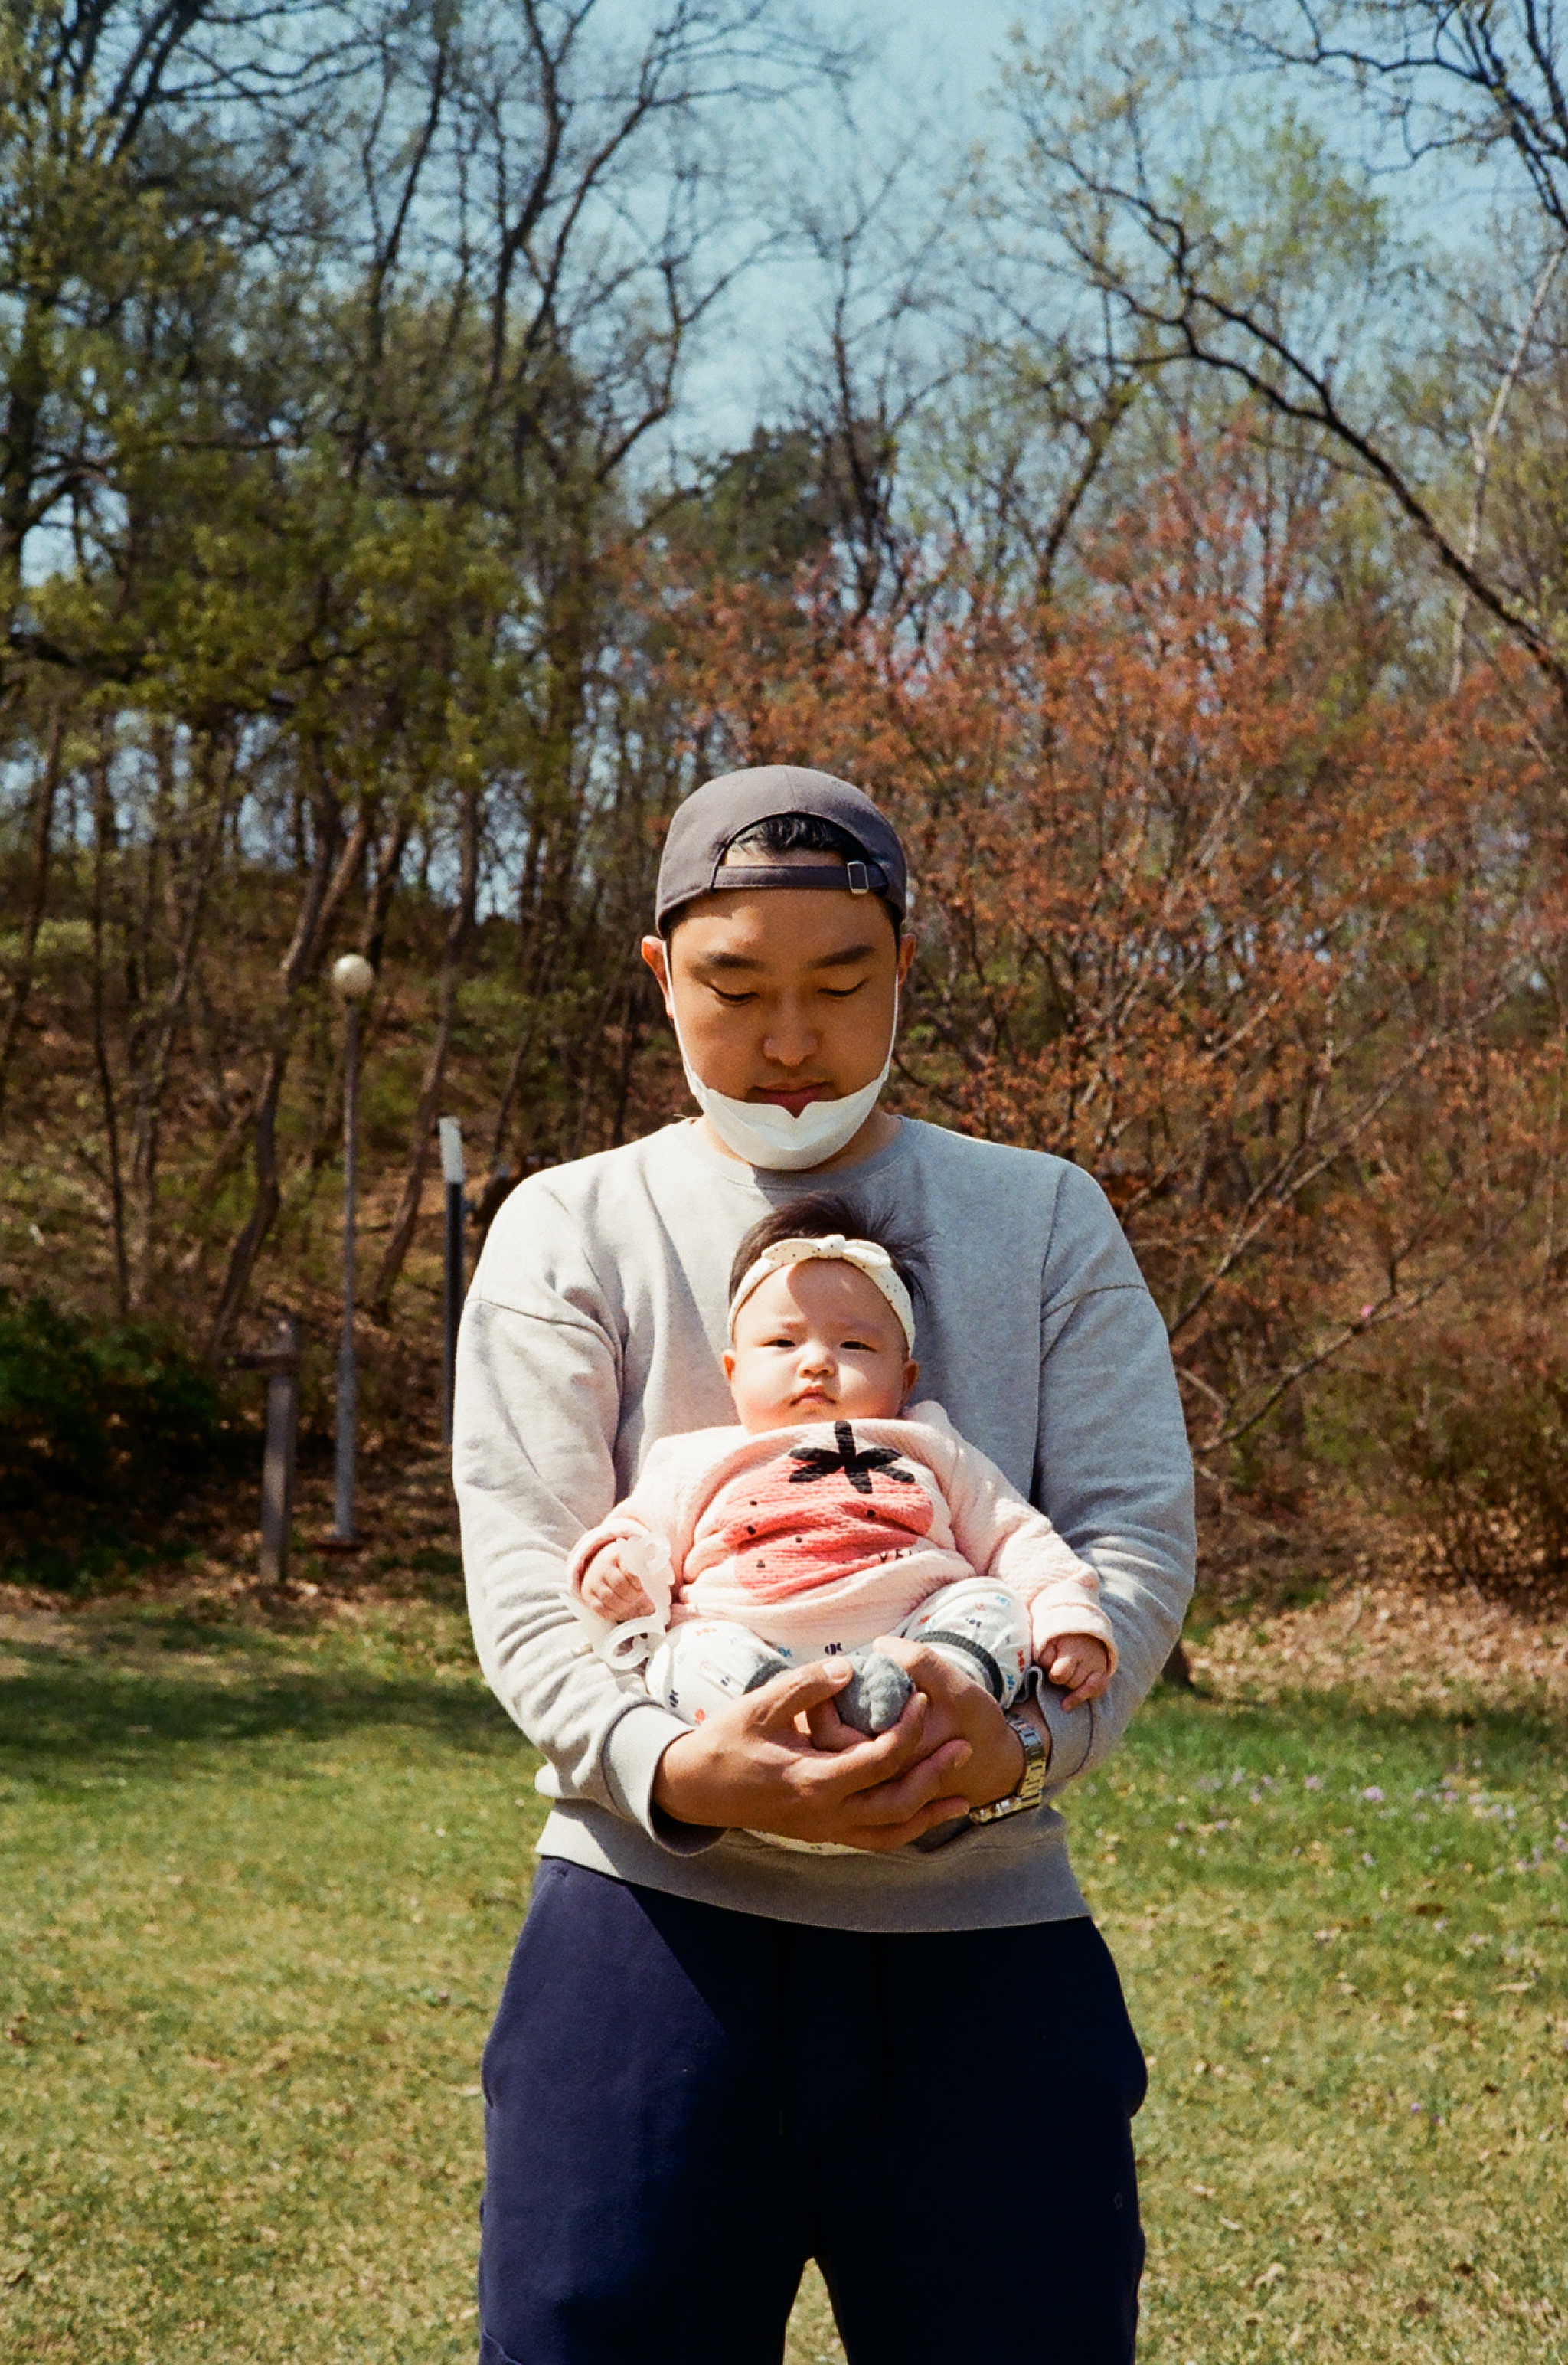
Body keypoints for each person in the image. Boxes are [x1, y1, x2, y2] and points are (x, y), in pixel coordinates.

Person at [454, 764, 1195, 2365]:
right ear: (660, 974)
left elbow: (1129, 1529)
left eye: (841, 983)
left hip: (985, 1950)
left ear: (904, 963)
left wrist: (1022, 1736)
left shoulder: (1044, 1216)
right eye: (734, 989)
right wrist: (677, 1764)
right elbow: (528, 1573)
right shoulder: (566, 1225)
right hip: (647, 1934)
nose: (788, 1038)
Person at [570, 1197, 1116, 1749]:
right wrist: (615, 1566)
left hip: (908, 1642)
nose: (816, 1363)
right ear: (733, 1372)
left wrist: (1066, 1615)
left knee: (995, 1606)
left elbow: (1013, 1535)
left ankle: (925, 1700)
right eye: (782, 1343)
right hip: (749, 1642)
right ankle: (774, 1707)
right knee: (679, 1651)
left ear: (904, 1380)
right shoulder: (694, 1459)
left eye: (853, 1345)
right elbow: (638, 1530)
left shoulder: (927, 1441)